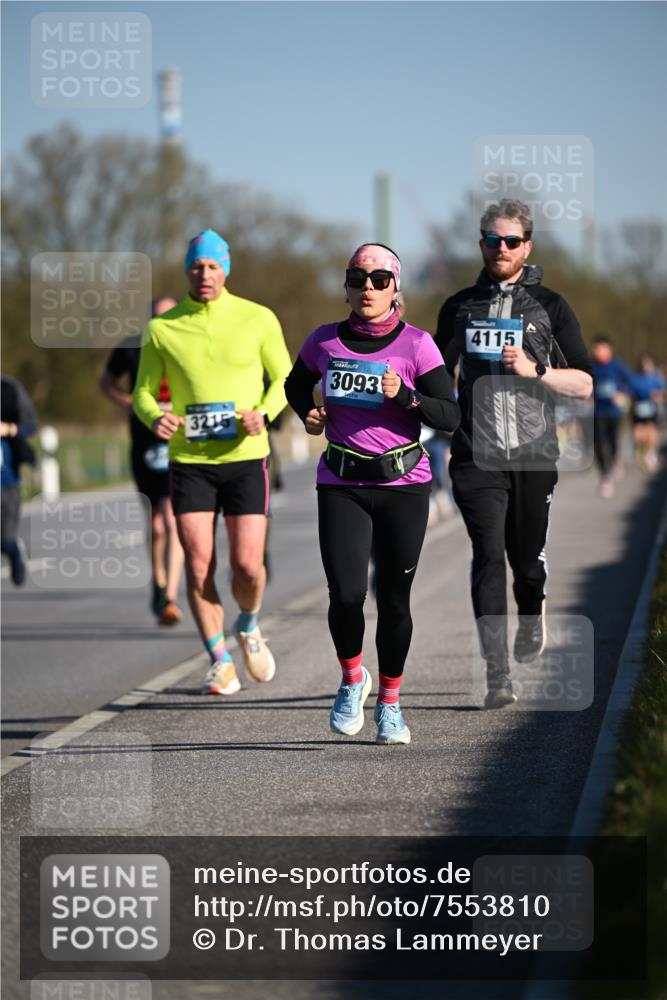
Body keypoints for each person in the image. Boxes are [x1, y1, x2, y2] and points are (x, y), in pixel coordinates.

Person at [285, 243, 459, 744]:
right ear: (346, 285)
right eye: (358, 278)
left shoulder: (417, 346)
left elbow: (450, 416)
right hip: (341, 484)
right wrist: (309, 413)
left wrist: (405, 397)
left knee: (394, 600)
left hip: (403, 486)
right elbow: (295, 386)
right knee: (345, 595)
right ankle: (351, 678)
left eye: (380, 280)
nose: (368, 288)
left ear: (395, 288)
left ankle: (390, 703)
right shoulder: (323, 342)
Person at [435, 199, 592, 708]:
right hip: (474, 454)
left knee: (525, 561)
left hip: (533, 453)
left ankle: (533, 603)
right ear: (480, 242)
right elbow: (435, 377)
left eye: (510, 241)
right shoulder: (459, 307)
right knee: (486, 555)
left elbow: (586, 383)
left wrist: (537, 372)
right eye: (490, 239)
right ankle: (497, 673)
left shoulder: (552, 305)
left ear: (527, 245)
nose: (500, 248)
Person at [133, 230, 292, 695]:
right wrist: (153, 417)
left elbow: (285, 375)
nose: (205, 274)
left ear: (226, 270)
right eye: (197, 267)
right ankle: (219, 660)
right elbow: (144, 390)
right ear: (187, 271)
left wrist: (263, 413)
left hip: (245, 457)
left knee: (247, 566)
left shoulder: (257, 318)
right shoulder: (163, 328)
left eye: (213, 266)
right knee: (199, 564)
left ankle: (247, 624)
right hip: (190, 460)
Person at [100, 297, 185, 625]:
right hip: (146, 442)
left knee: (172, 517)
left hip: (180, 438)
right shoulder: (131, 348)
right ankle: (158, 580)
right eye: (156, 318)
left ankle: (171, 596)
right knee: (156, 521)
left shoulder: (186, 346)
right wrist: (128, 402)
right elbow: (105, 382)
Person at [1, 375, 38, 586]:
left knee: (4, 540)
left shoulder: (8, 389)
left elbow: (31, 424)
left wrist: (9, 429)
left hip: (6, 482)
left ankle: (14, 552)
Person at [591, 335, 633, 497]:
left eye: (600, 348)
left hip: (614, 411)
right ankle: (605, 477)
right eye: (595, 348)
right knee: (599, 444)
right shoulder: (591, 365)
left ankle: (615, 459)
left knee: (613, 440)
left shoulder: (617, 365)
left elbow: (630, 381)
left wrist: (622, 394)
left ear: (608, 349)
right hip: (598, 411)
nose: (597, 352)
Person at [630, 352, 665, 472]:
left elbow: (663, 394)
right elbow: (630, 392)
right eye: (644, 363)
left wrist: (658, 396)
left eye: (648, 363)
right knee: (638, 434)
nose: (646, 366)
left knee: (651, 432)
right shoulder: (635, 378)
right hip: (638, 410)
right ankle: (640, 450)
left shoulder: (656, 379)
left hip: (652, 409)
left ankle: (651, 453)